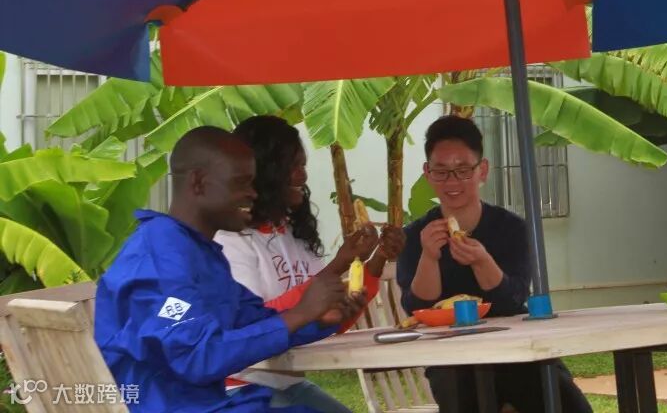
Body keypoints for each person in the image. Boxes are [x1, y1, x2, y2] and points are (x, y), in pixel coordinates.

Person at [95, 126, 363, 413]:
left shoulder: (200, 253)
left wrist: (319, 320)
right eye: (241, 183)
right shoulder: (161, 257)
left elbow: (253, 323)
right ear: (199, 182)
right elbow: (195, 356)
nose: (253, 193)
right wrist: (300, 313)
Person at [395, 115, 592, 413]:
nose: (452, 182)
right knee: (459, 390)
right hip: (451, 360)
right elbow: (417, 308)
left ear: (482, 170)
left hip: (516, 352)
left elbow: (514, 299)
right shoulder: (414, 236)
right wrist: (429, 257)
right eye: (441, 171)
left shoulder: (512, 228)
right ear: (427, 173)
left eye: (463, 170)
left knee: (564, 400)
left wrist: (482, 261)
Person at [215, 115, 406, 413]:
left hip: (287, 384)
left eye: (303, 166)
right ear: (265, 172)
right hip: (240, 388)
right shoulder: (231, 241)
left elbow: (327, 319)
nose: (303, 176)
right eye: (293, 167)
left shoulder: (293, 233)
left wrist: (378, 258)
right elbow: (254, 323)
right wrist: (337, 266)